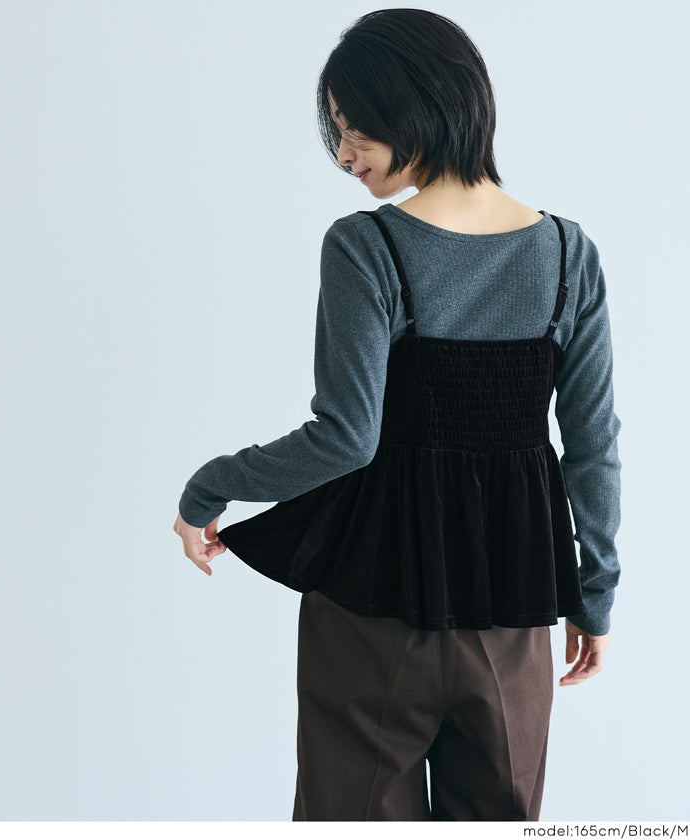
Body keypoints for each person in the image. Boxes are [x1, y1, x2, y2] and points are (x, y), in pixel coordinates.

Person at [172, 9, 622, 821]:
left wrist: (211, 485)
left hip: (371, 608)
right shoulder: (568, 255)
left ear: (419, 105)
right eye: (338, 131)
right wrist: (595, 594)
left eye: (355, 128)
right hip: (512, 609)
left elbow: (346, 437)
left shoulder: (365, 246)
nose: (344, 154)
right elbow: (592, 445)